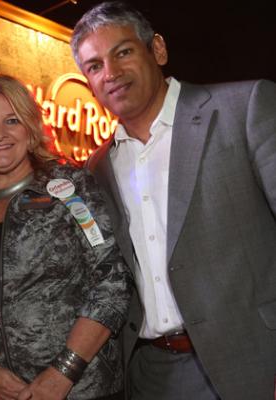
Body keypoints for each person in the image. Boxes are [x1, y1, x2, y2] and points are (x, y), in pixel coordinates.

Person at [71, 2, 276, 399]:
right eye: (94, 66)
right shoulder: (97, 168)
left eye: (123, 52)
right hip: (151, 375)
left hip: (254, 361)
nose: (110, 73)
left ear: (158, 50)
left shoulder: (244, 108)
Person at [0, 72, 131, 400]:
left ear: (30, 128)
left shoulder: (69, 188)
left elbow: (111, 282)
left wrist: (63, 372)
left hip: (82, 390)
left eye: (12, 120)